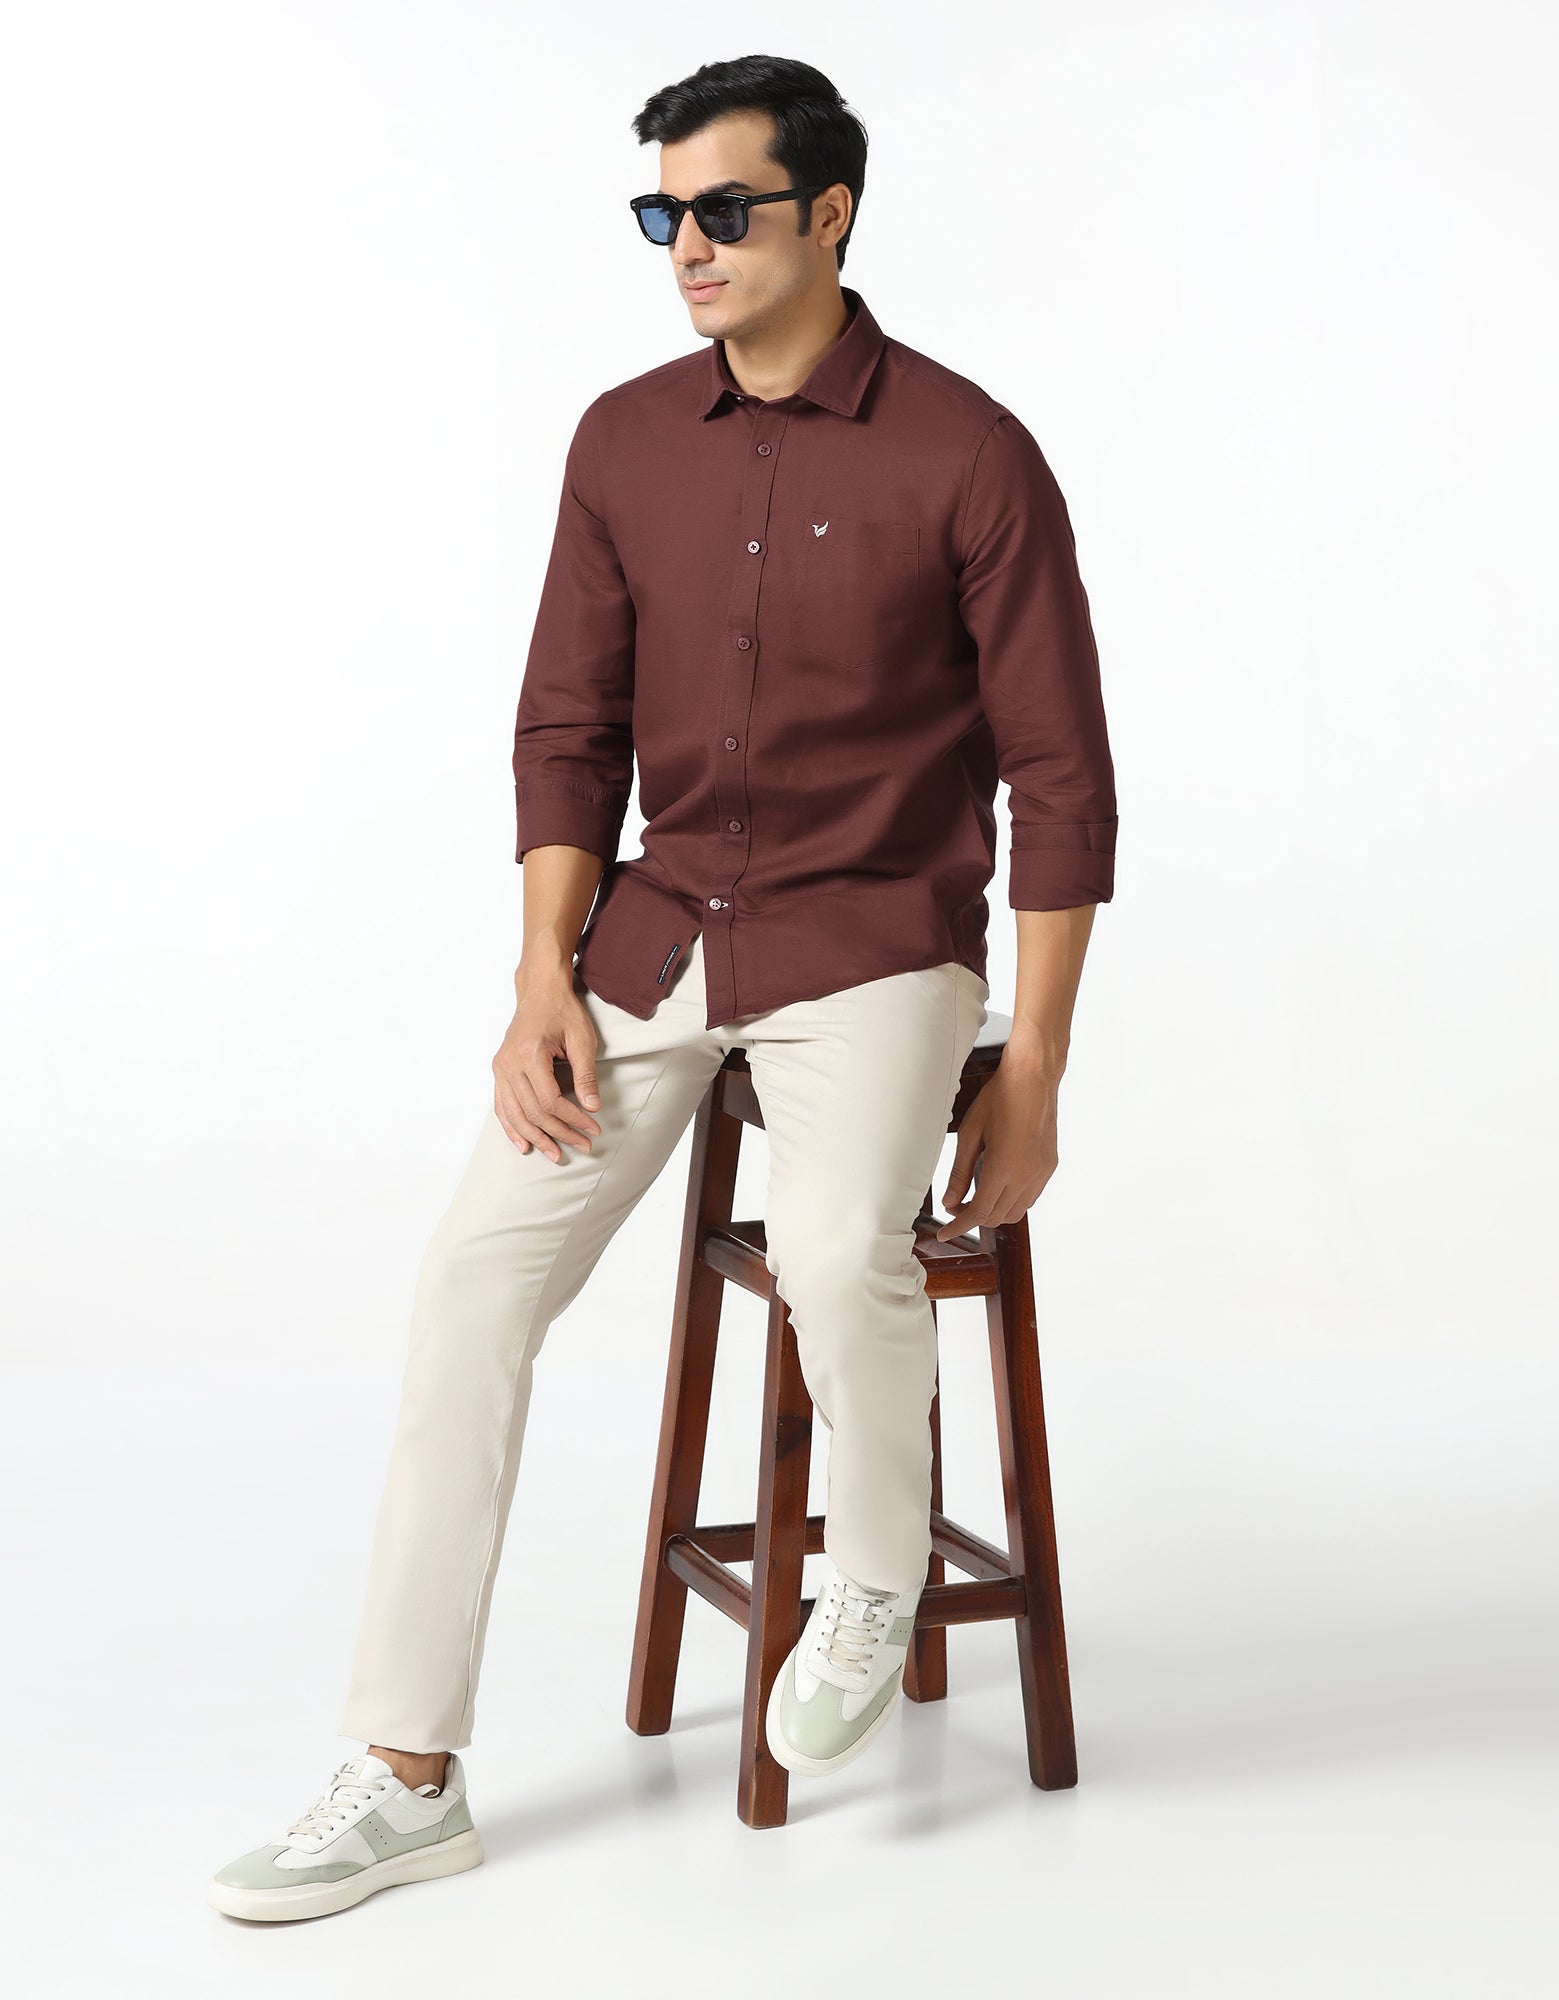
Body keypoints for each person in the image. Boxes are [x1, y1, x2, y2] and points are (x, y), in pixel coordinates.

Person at [209, 52, 1117, 1922]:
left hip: (876, 940)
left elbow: (1062, 776)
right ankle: (405, 1774)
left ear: (830, 214)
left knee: (844, 1248)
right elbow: (569, 728)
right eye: (661, 214)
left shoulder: (970, 452)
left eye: (721, 209)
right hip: (657, 936)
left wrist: (1033, 1062)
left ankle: (870, 1572)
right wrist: (541, 979)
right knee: (470, 1282)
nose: (685, 246)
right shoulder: (622, 441)